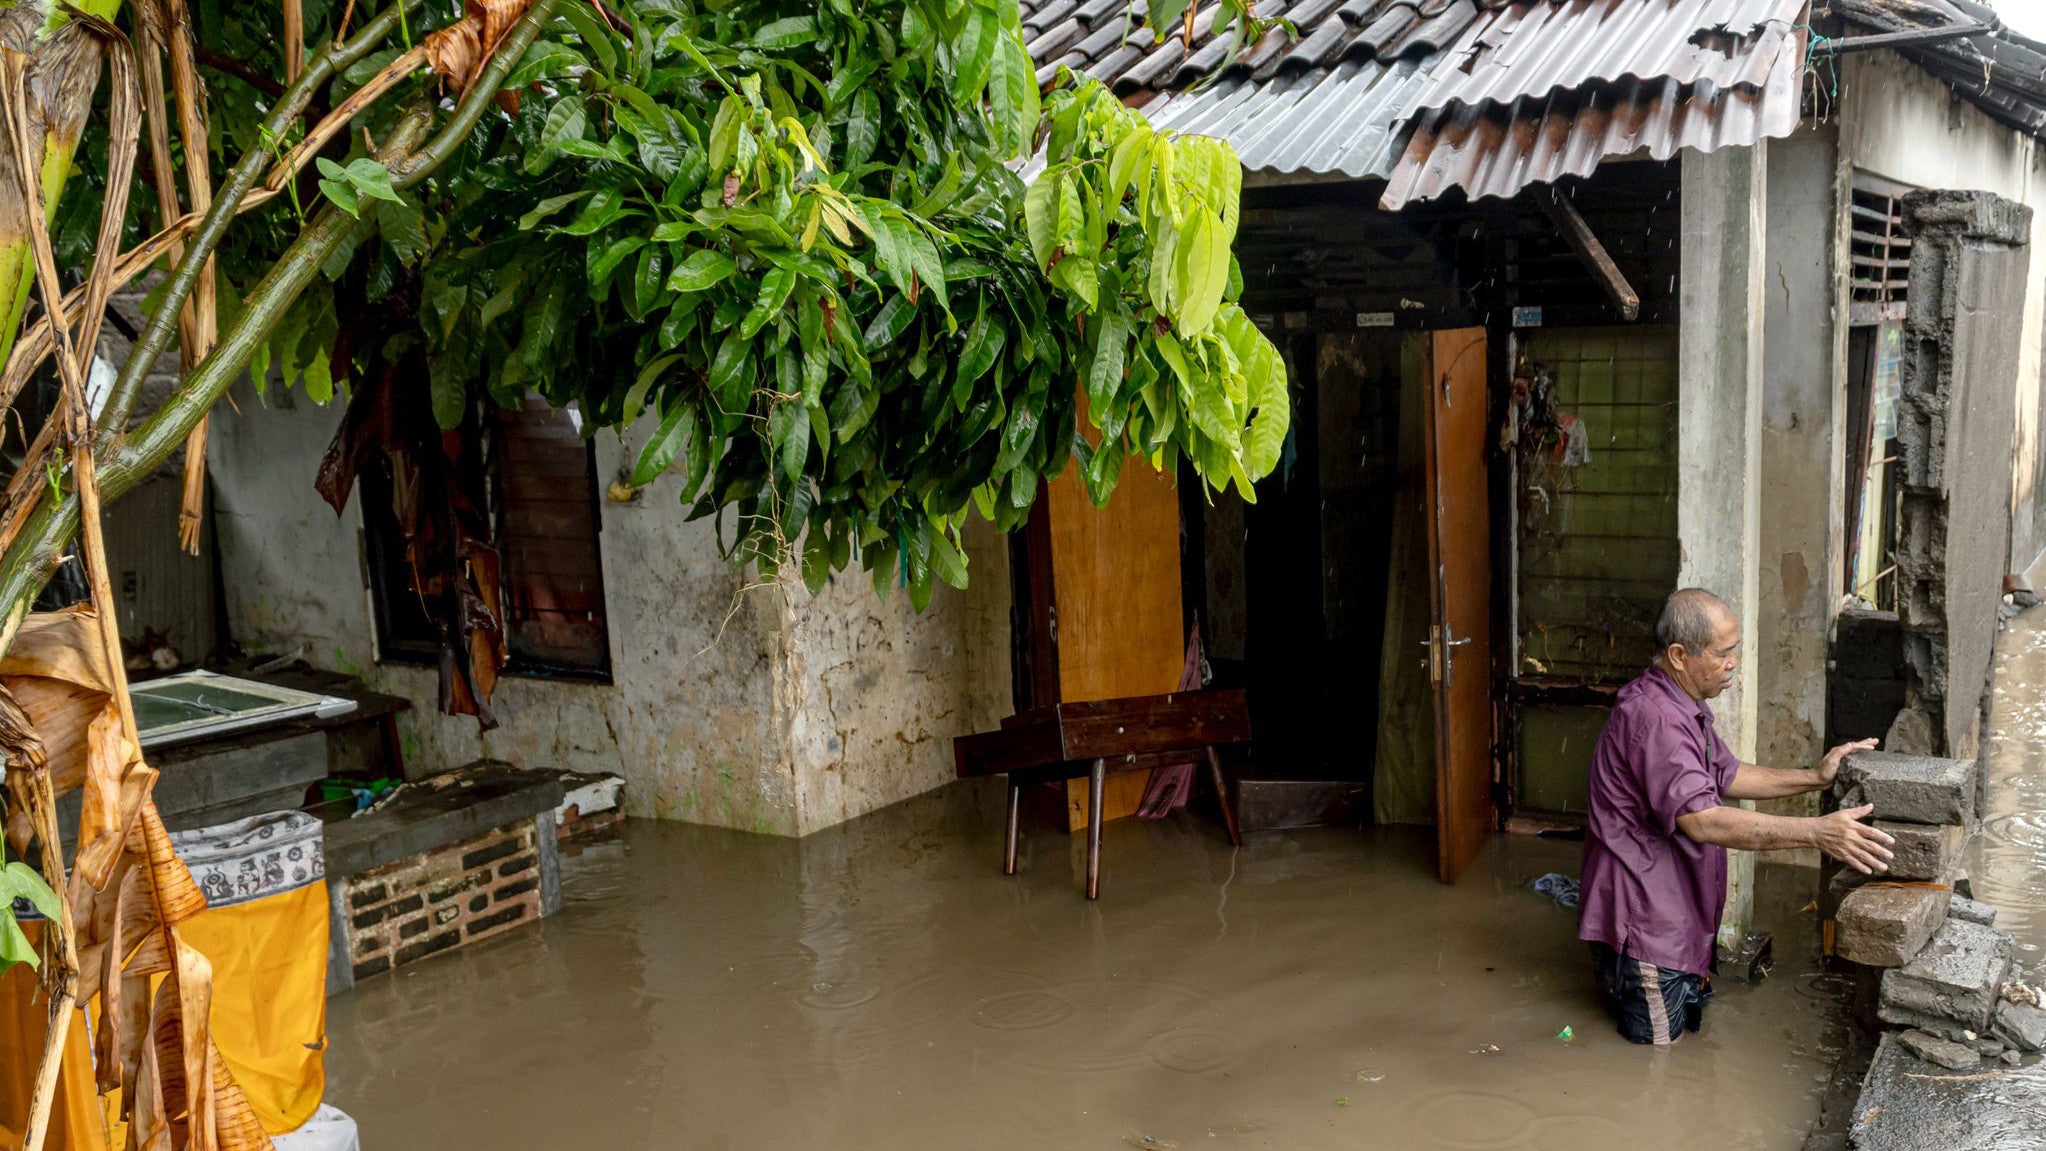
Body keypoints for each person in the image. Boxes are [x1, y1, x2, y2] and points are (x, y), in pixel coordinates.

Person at [1578, 587, 1896, 1046]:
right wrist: (1816, 833)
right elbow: (1703, 820)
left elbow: (1727, 774)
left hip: (1677, 914)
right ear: (1679, 655)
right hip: (1647, 922)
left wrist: (1814, 777)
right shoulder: (1656, 720)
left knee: (1673, 1043)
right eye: (1723, 653)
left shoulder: (1683, 704)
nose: (1733, 664)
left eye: (1735, 651)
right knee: (1654, 1063)